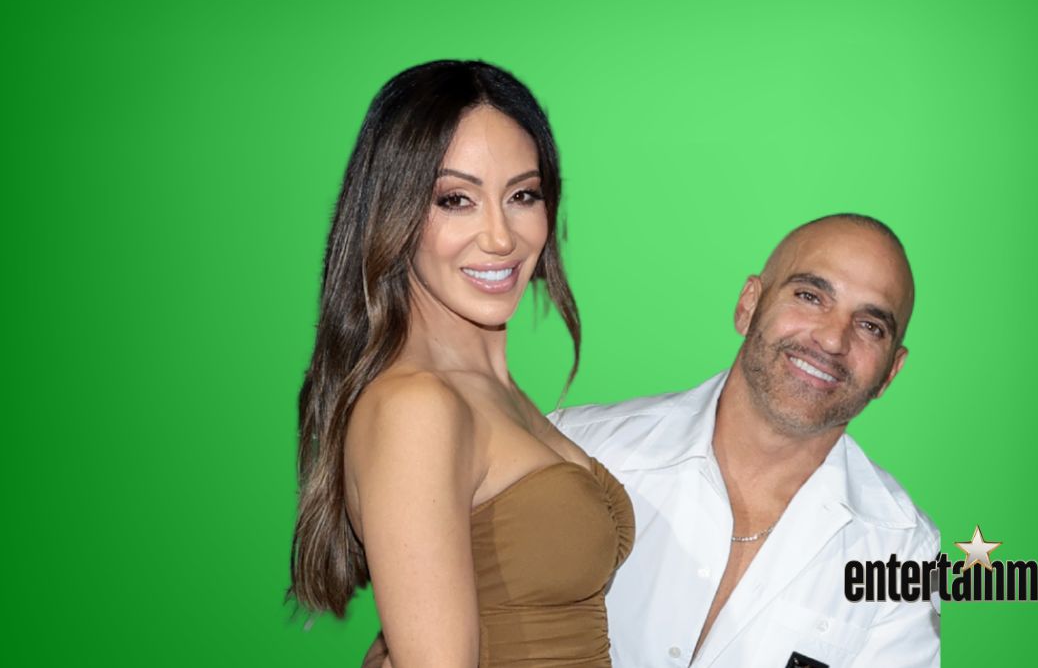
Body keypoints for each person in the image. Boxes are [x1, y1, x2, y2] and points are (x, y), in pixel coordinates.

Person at [289, 60, 633, 668]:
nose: (500, 237)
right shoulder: (416, 407)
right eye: (456, 200)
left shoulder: (494, 393)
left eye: (522, 195)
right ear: (391, 213)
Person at [553, 214, 940, 667]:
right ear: (748, 304)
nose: (833, 339)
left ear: (890, 372)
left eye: (871, 326)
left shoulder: (903, 552)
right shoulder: (575, 451)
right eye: (810, 296)